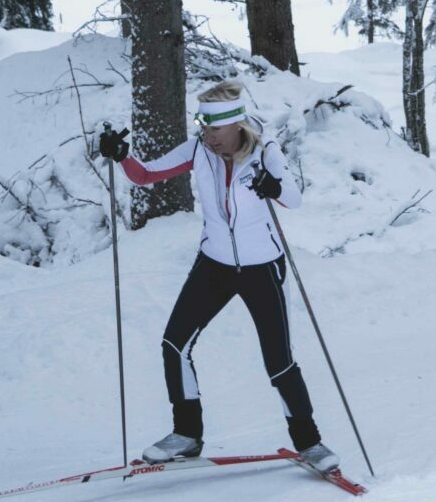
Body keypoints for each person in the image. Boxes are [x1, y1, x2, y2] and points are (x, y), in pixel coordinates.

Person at [96, 80, 338, 472]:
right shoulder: (198, 150)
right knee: (174, 344)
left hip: (262, 267)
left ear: (236, 125)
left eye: (214, 129)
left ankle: (309, 443)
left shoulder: (264, 151)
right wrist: (122, 155)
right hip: (215, 263)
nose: (207, 136)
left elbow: (292, 198)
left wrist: (271, 185)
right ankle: (187, 434)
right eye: (202, 126)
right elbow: (145, 175)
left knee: (279, 362)